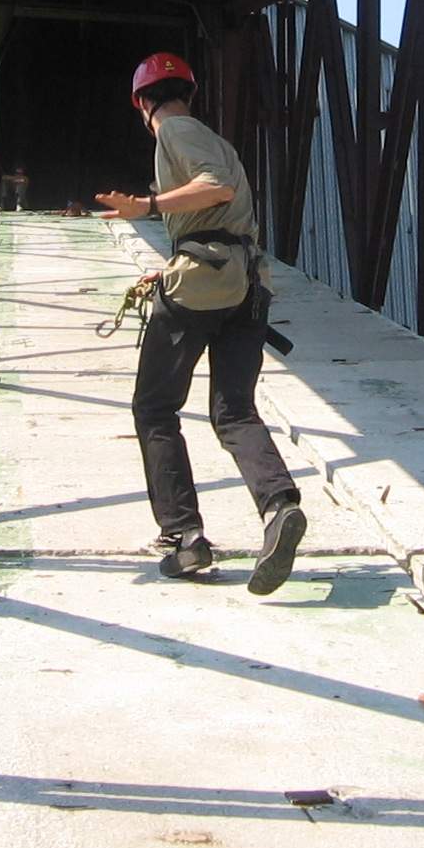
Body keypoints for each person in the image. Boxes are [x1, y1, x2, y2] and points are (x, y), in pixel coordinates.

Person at [94, 51, 305, 594]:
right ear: (188, 90)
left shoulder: (176, 131)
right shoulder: (215, 139)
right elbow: (222, 213)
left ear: (142, 102)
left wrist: (147, 206)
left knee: (154, 408)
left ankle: (185, 537)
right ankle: (278, 507)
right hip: (246, 287)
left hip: (203, 287)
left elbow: (216, 189)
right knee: (234, 411)